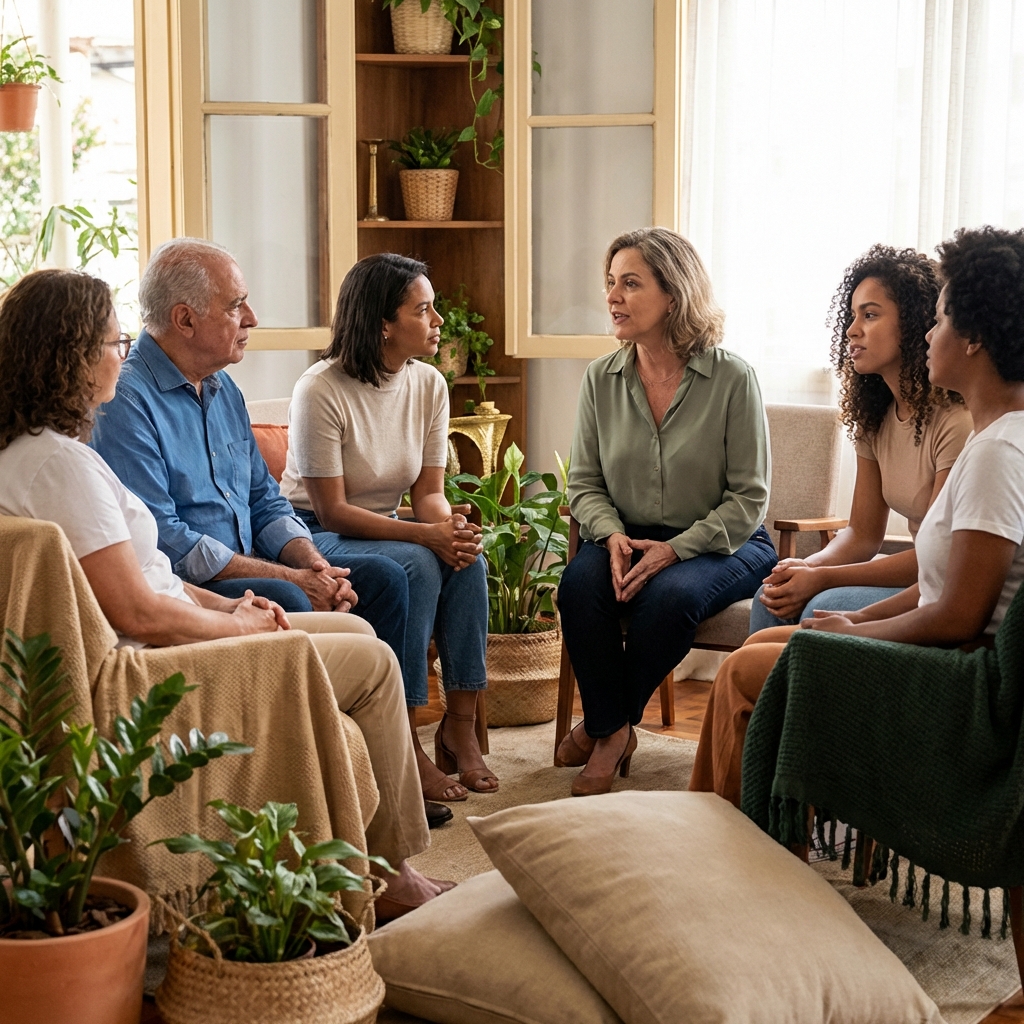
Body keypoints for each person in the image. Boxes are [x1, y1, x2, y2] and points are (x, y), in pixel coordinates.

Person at [0, 267, 452, 921]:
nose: (121, 355)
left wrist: (230, 604)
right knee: (374, 662)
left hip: (172, 626)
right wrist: (241, 626)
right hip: (151, 666)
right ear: (68, 357)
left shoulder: (43, 454)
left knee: (358, 631)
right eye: (112, 343)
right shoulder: (58, 466)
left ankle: (373, 849)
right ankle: (390, 871)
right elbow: (136, 610)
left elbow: (149, 572)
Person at [690, 225, 1024, 807]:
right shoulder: (992, 437)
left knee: (742, 675)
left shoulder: (996, 449)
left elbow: (959, 615)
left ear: (973, 338)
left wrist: (856, 628)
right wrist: (855, 614)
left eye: (940, 320)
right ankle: (732, 828)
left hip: (961, 675)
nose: (930, 333)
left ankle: (735, 836)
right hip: (948, 647)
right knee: (754, 651)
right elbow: (934, 585)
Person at [88, 238, 408, 657]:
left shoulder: (224, 388)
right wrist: (293, 580)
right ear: (185, 320)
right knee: (288, 597)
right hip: (190, 584)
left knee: (385, 579)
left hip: (248, 563)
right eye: (236, 306)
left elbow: (264, 500)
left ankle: (380, 700)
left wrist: (315, 566)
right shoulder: (124, 400)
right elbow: (166, 538)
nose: (252, 318)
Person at [556, 227, 778, 797]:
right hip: (626, 536)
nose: (613, 296)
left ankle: (606, 732)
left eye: (631, 283)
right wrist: (610, 536)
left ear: (674, 295)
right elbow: (585, 483)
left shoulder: (733, 378)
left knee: (670, 598)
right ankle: (614, 727)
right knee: (578, 587)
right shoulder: (600, 379)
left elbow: (749, 498)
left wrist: (675, 549)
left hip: (724, 541)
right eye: (611, 282)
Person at [279, 253, 494, 803]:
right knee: (420, 563)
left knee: (468, 563)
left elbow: (428, 496)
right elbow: (332, 510)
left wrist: (451, 531)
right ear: (383, 325)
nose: (438, 321)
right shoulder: (320, 389)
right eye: (423, 310)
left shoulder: (429, 384)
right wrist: (426, 537)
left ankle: (460, 729)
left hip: (387, 525)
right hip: (311, 533)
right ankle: (406, 741)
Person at [750, 245, 972, 633]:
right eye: (852, 316)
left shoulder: (956, 421)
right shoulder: (874, 417)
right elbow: (863, 534)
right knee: (772, 595)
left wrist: (822, 578)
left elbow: (935, 557)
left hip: (936, 584)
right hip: (917, 574)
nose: (852, 330)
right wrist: (807, 566)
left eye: (869, 315)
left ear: (915, 322)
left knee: (819, 606)